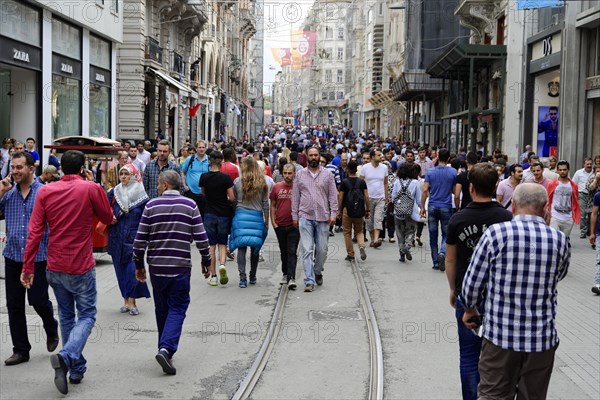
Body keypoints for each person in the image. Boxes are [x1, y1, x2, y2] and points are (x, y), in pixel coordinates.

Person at [460, 183, 570, 399]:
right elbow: (560, 275)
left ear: (513, 206)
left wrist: (470, 309)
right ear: (546, 208)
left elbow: (472, 283)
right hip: (541, 339)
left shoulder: (496, 234)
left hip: (500, 338)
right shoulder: (559, 239)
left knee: (493, 394)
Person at [21, 150, 114, 394]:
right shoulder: (91, 188)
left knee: (66, 315)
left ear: (61, 168)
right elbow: (108, 216)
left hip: (55, 264)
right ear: (83, 168)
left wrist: (28, 266)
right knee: (87, 314)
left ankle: (75, 368)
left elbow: (35, 231)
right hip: (80, 264)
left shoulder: (46, 191)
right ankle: (67, 356)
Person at [133, 170, 211, 375]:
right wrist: (206, 260)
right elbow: (202, 238)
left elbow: (139, 241)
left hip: (157, 268)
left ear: (166, 185)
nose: (157, 186)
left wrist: (139, 265)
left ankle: (163, 348)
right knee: (177, 307)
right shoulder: (190, 206)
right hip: (180, 268)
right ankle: (166, 349)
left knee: (162, 308)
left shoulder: (151, 206)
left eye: (159, 183)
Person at [445, 163, 513, 400]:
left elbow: (451, 260)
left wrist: (454, 289)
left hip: (468, 295)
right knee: (497, 356)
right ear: (496, 186)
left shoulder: (458, 219)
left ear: (470, 187)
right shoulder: (507, 217)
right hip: (499, 296)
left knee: (469, 356)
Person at [0, 152, 59, 366]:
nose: (14, 171)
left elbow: (56, 223)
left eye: (19, 167)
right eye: (12, 167)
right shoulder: (8, 193)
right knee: (14, 305)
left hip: (39, 258)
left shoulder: (44, 192)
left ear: (31, 169)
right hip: (14, 256)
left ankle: (51, 326)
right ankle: (21, 350)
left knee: (37, 300)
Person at [292, 146, 338, 292]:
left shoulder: (328, 175)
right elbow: (295, 197)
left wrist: (334, 213)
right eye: (310, 155)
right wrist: (294, 216)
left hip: (323, 217)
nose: (313, 157)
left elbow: (332, 195)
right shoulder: (300, 175)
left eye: (315, 155)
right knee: (306, 249)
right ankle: (309, 280)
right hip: (305, 216)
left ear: (319, 157)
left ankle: (317, 271)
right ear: (307, 156)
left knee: (322, 250)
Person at [107, 164, 151, 315]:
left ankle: (133, 301)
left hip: (134, 238)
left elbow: (146, 218)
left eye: (127, 174)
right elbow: (104, 209)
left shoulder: (141, 196)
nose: (124, 177)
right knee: (120, 271)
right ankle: (125, 299)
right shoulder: (114, 192)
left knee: (132, 270)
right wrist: (109, 217)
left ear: (133, 175)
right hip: (116, 236)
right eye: (122, 174)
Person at [229, 157, 269, 288]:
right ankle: (253, 275)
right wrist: (266, 221)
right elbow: (265, 204)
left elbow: (234, 201)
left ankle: (242, 278)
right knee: (255, 247)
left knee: (241, 248)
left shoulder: (237, 182)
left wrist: (235, 215)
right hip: (256, 217)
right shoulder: (262, 183)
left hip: (240, 216)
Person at [199, 150, 235, 287]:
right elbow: (232, 198)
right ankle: (222, 265)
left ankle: (213, 276)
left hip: (209, 213)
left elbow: (203, 193)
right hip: (223, 213)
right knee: (222, 243)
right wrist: (225, 198)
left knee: (211, 246)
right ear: (221, 163)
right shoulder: (226, 178)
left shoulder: (204, 177)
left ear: (210, 161)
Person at [420, 148, 456, 271]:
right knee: (446, 234)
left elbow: (425, 190)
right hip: (446, 206)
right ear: (448, 158)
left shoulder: (430, 172)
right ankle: (442, 253)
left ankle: (435, 261)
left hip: (432, 206)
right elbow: (455, 192)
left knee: (433, 235)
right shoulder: (453, 172)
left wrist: (422, 207)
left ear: (438, 156)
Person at [270, 163, 300, 289]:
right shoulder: (276, 187)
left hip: (294, 225)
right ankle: (285, 273)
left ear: (294, 174)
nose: (287, 176)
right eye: (285, 173)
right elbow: (272, 204)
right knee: (283, 251)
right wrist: (273, 222)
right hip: (280, 225)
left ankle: (291, 277)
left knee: (292, 251)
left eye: (290, 173)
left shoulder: (298, 187)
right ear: (282, 173)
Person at [338, 160, 369, 261]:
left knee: (347, 233)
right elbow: (366, 196)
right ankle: (361, 245)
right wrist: (367, 209)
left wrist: (339, 210)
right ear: (356, 170)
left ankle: (351, 254)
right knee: (359, 231)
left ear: (348, 170)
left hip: (347, 210)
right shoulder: (362, 182)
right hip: (359, 210)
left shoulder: (344, 182)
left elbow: (341, 197)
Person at [391, 163, 421, 262]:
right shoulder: (415, 183)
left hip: (398, 211)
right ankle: (407, 246)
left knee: (400, 233)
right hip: (411, 212)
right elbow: (419, 200)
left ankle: (402, 255)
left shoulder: (396, 182)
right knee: (411, 231)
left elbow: (393, 197)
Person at [360, 148, 388, 247]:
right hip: (368, 198)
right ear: (372, 157)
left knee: (378, 219)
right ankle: (372, 239)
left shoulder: (384, 168)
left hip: (380, 197)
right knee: (369, 220)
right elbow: (361, 182)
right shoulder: (365, 168)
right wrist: (362, 196)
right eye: (378, 155)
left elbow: (385, 183)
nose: (381, 156)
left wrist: (386, 197)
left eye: (381, 155)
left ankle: (376, 239)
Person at [547, 160, 581, 237]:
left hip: (568, 218)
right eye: (560, 170)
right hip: (554, 217)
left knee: (564, 241)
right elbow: (548, 199)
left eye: (564, 169)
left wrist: (574, 217)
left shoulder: (573, 185)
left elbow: (575, 201)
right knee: (554, 239)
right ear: (557, 170)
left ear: (568, 170)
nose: (562, 171)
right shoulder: (552, 184)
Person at [181, 140, 209, 215]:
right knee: (190, 214)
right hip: (191, 192)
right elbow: (182, 172)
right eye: (199, 147)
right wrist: (184, 185)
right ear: (196, 149)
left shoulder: (209, 160)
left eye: (203, 147)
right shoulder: (190, 159)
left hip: (205, 193)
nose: (201, 149)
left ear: (206, 148)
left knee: (203, 214)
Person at [572, 158, 593, 238]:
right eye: (587, 164)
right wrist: (575, 196)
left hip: (592, 195)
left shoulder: (594, 172)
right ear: (584, 164)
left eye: (590, 164)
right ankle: (583, 231)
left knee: (590, 214)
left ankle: (589, 230)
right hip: (582, 195)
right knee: (583, 214)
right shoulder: (579, 173)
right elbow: (574, 184)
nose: (589, 165)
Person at [590, 187, 600, 294]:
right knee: (599, 259)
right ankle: (598, 284)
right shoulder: (598, 195)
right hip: (599, 232)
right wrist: (592, 232)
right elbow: (594, 214)